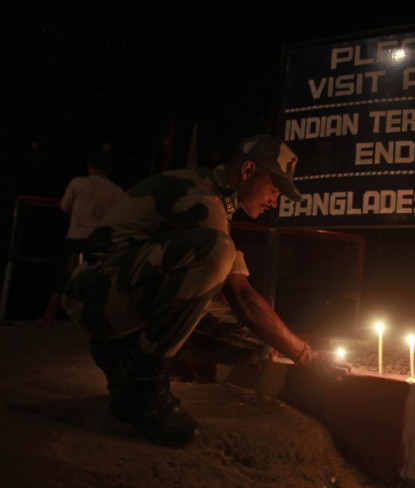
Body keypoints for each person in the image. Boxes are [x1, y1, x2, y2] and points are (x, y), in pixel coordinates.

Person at [62, 134, 351, 446]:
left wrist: (287, 345)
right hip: (93, 295)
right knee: (218, 251)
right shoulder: (201, 200)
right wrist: (306, 356)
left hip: (119, 292)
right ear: (248, 170)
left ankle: (121, 350)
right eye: (275, 188)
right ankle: (143, 388)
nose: (275, 200)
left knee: (254, 342)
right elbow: (241, 296)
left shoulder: (216, 197)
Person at [33, 146, 124, 328]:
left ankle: (48, 317)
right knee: (97, 278)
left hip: (76, 237)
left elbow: (64, 206)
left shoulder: (78, 183)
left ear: (89, 166)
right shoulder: (117, 191)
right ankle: (96, 318)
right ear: (109, 169)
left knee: (64, 276)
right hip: (100, 239)